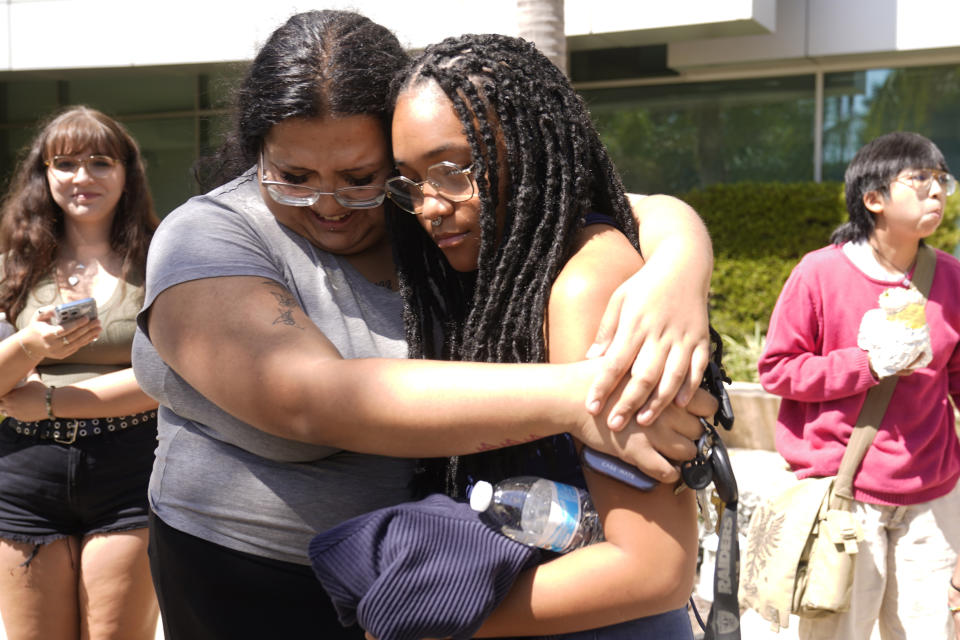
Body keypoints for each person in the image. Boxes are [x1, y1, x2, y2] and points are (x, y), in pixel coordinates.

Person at [131, 10, 715, 639]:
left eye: (361, 178)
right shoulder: (212, 235)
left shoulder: (432, 218)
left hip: (443, 591)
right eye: (293, 178)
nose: (328, 204)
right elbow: (305, 396)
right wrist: (580, 395)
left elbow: (578, 195)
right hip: (248, 584)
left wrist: (681, 260)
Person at [373, 32, 701, 637]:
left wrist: (428, 623)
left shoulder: (584, 287)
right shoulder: (499, 268)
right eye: (409, 181)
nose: (428, 207)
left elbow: (657, 568)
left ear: (527, 152)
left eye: (452, 171)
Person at [758, 131, 960, 640]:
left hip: (933, 494)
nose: (936, 191)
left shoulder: (953, 278)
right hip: (845, 496)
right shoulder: (819, 274)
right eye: (919, 180)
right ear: (873, 199)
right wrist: (866, 364)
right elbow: (778, 369)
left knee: (927, 631)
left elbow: (955, 376)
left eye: (942, 181)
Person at [0, 106, 161, 640]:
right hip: (24, 472)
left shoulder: (161, 259)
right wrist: (30, 344)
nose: (82, 178)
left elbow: (169, 377)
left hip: (131, 468)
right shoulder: (12, 266)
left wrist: (50, 401)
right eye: (64, 163)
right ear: (43, 174)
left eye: (100, 162)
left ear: (126, 172)